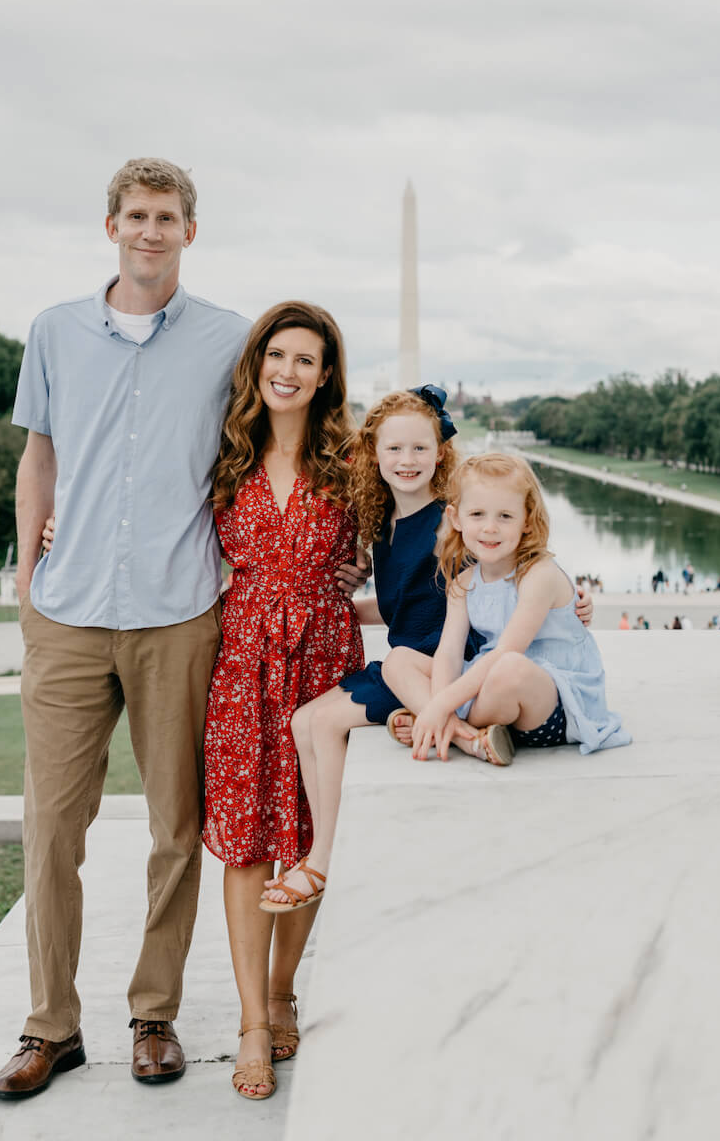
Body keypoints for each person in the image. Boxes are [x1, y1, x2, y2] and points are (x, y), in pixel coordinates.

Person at [0, 159, 362, 1103]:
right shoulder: (54, 332)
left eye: (167, 218)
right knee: (51, 828)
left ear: (189, 232)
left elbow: (283, 443)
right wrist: (26, 573)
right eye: (136, 216)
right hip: (70, 612)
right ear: (109, 224)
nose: (150, 232)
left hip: (180, 615)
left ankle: (153, 1015)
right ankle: (50, 1026)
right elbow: (39, 458)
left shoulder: (228, 342)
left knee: (178, 826)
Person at [273, 386, 598, 914]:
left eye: (420, 449)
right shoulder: (385, 526)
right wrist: (351, 610)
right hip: (414, 654)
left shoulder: (451, 520)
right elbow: (408, 602)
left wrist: (576, 601)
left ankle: (323, 859)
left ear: (440, 453)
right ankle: (324, 852)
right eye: (395, 450)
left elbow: (508, 567)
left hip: (441, 659)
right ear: (373, 455)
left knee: (324, 722)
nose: (407, 461)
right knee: (303, 721)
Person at [200, 301, 362, 1100]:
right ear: (257, 363)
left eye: (306, 359)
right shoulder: (223, 454)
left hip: (324, 657)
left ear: (326, 374)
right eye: (278, 355)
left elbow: (439, 526)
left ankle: (282, 988)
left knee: (304, 834)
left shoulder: (351, 462)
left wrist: (548, 592)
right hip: (240, 665)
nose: (288, 371)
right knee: (245, 840)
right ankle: (250, 1025)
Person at [410, 453, 631, 763]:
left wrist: (438, 704)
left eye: (505, 516)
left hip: (551, 702)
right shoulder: (463, 581)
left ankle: (437, 723)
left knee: (508, 667)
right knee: (399, 662)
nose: (490, 527)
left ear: (527, 520)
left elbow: (506, 653)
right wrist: (441, 703)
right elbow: (448, 651)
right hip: (495, 686)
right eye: (477, 514)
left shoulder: (538, 573)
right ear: (456, 518)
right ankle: (463, 735)